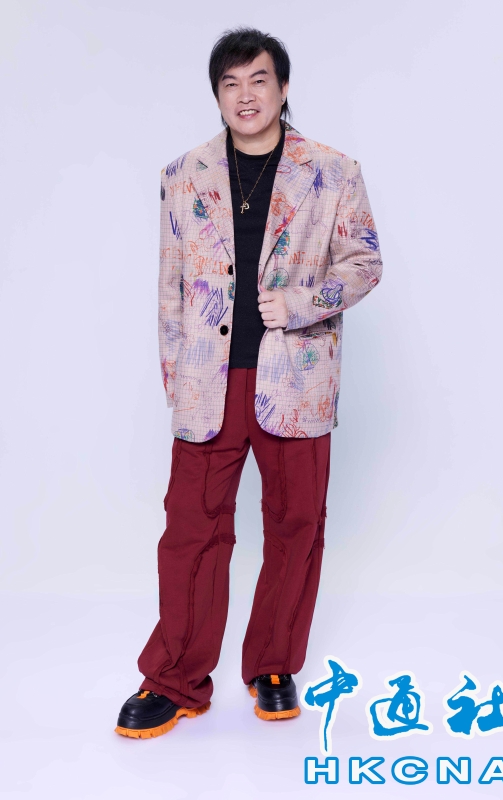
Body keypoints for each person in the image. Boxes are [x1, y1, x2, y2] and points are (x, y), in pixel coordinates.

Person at [115, 25, 383, 739]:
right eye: (230, 83)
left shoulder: (333, 172)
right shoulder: (183, 174)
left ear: (282, 88)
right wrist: (177, 381)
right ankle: (175, 679)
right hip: (209, 383)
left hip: (297, 379)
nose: (245, 95)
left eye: (258, 80)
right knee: (191, 532)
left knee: (296, 526)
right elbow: (170, 288)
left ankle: (272, 666)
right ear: (217, 94)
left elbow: (365, 262)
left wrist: (301, 305)